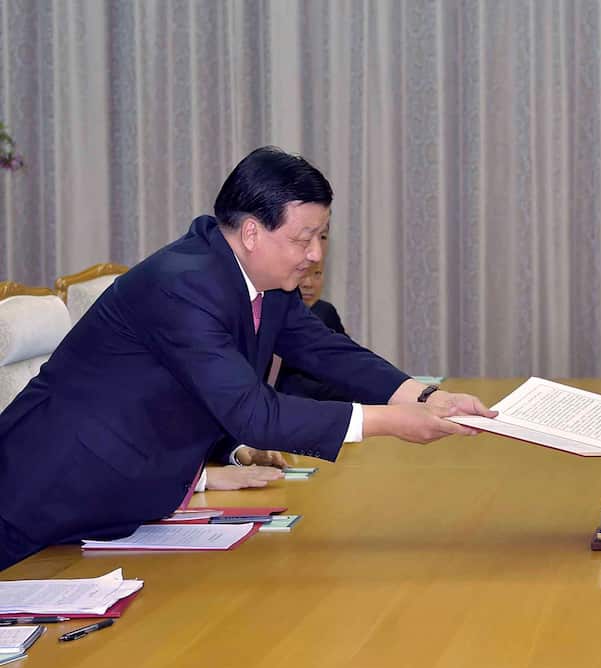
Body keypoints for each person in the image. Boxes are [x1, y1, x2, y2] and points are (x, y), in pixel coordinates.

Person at [0, 146, 494, 570]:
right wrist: (395, 422)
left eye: (323, 236)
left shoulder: (264, 281)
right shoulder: (183, 284)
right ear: (253, 232)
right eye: (304, 239)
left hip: (113, 504)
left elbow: (324, 349)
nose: (316, 255)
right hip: (38, 492)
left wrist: (429, 396)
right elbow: (253, 413)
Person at [272, 227, 355, 402]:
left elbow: (345, 361)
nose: (309, 284)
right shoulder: (270, 310)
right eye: (303, 274)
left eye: (317, 274)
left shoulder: (325, 312)